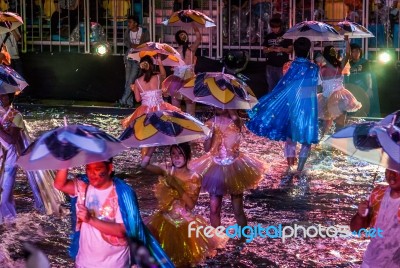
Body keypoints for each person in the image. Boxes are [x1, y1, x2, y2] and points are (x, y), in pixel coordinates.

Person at [54, 159, 174, 267]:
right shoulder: (84, 187)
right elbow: (60, 184)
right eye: (88, 169)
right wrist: (66, 162)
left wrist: (90, 219)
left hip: (115, 264)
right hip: (85, 262)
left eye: (97, 169)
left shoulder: (122, 194)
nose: (91, 174)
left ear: (110, 168)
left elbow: (122, 230)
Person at [142, 143, 227, 267]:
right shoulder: (166, 170)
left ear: (187, 155)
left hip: (184, 222)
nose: (176, 157)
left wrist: (176, 186)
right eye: (173, 154)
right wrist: (153, 146)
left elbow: (191, 205)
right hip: (163, 220)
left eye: (180, 154)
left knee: (184, 260)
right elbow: (144, 165)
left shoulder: (194, 177)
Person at [247, 37, 319, 174]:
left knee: (290, 137)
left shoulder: (289, 66)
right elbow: (317, 86)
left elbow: (283, 86)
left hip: (291, 104)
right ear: (309, 49)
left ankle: (290, 167)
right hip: (309, 105)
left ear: (295, 50)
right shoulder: (314, 68)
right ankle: (300, 169)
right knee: (307, 139)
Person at [190, 109, 266, 240]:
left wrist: (229, 104)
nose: (220, 106)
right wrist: (210, 135)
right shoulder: (209, 123)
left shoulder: (235, 121)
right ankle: (217, 240)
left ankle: (243, 238)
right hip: (215, 167)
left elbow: (236, 119)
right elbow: (207, 149)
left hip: (234, 166)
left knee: (238, 208)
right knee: (214, 208)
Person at [0, 93, 65, 224]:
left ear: (10, 97)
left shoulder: (16, 115)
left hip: (9, 159)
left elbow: (12, 140)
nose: (1, 98)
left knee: (5, 195)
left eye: (4, 96)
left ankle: (8, 223)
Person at [350, 169, 400, 267]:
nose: (392, 175)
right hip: (370, 263)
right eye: (389, 170)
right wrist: (360, 215)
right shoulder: (378, 192)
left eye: (397, 170)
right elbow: (356, 230)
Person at [318, 36, 362, 136]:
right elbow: (348, 54)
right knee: (340, 123)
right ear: (335, 54)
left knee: (326, 123)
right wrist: (347, 41)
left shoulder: (320, 69)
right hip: (339, 96)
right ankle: (339, 143)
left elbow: (319, 83)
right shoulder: (339, 66)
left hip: (326, 96)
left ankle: (323, 142)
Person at [162, 24, 201, 116]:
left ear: (176, 40)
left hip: (177, 81)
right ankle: (191, 128)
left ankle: (177, 128)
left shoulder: (174, 53)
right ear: (187, 38)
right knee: (191, 112)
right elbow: (199, 38)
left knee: (176, 110)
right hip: (190, 81)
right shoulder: (191, 50)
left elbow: (172, 67)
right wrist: (194, 24)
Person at [118, 15, 150, 108]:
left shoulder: (143, 31)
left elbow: (147, 43)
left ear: (135, 23)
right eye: (128, 22)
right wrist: (132, 45)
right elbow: (126, 42)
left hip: (138, 58)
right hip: (129, 57)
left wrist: (139, 46)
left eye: (130, 22)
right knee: (128, 80)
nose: (128, 24)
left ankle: (123, 99)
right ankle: (129, 102)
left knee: (131, 80)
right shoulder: (127, 31)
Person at [345, 43, 380, 117]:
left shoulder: (364, 62)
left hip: (363, 88)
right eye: (354, 51)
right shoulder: (348, 64)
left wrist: (369, 88)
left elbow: (368, 75)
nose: (356, 53)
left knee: (364, 106)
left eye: (357, 51)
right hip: (353, 89)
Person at [262, 17, 293, 93]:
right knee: (271, 87)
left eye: (276, 27)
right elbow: (264, 50)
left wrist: (282, 49)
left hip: (282, 65)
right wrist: (270, 49)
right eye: (273, 27)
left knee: (282, 87)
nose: (274, 29)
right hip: (270, 65)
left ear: (280, 26)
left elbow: (290, 50)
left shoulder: (286, 36)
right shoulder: (268, 36)